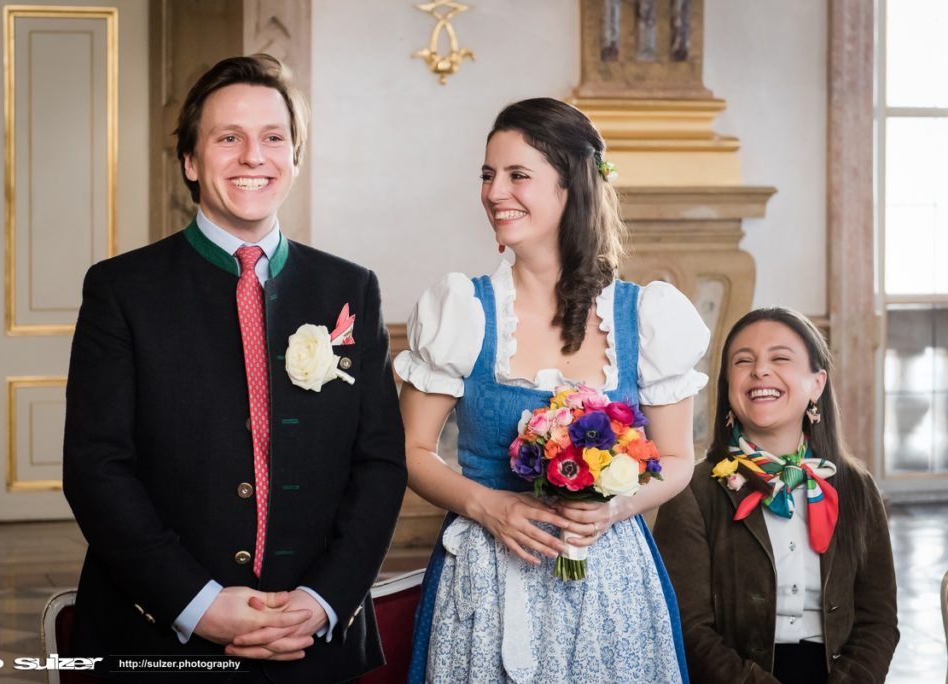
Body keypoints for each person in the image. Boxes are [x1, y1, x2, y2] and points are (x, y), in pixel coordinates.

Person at [63, 54, 407, 682]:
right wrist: (196, 605)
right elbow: (95, 469)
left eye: (273, 138)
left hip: (313, 642)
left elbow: (380, 463)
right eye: (229, 138)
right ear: (192, 163)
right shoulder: (121, 290)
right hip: (160, 641)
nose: (254, 156)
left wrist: (323, 600)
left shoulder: (351, 287)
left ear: (294, 160)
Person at [396, 97, 711, 683]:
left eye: (518, 175)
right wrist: (485, 505)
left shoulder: (645, 315)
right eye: (488, 176)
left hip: (610, 577)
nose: (494, 192)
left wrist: (612, 508)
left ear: (573, 186)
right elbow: (412, 452)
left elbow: (676, 459)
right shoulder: (462, 309)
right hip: (488, 576)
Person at [654, 308, 899, 683]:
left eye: (780, 358)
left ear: (817, 384)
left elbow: (878, 621)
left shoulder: (856, 487)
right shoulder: (692, 489)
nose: (760, 371)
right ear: (727, 384)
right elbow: (687, 625)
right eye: (743, 361)